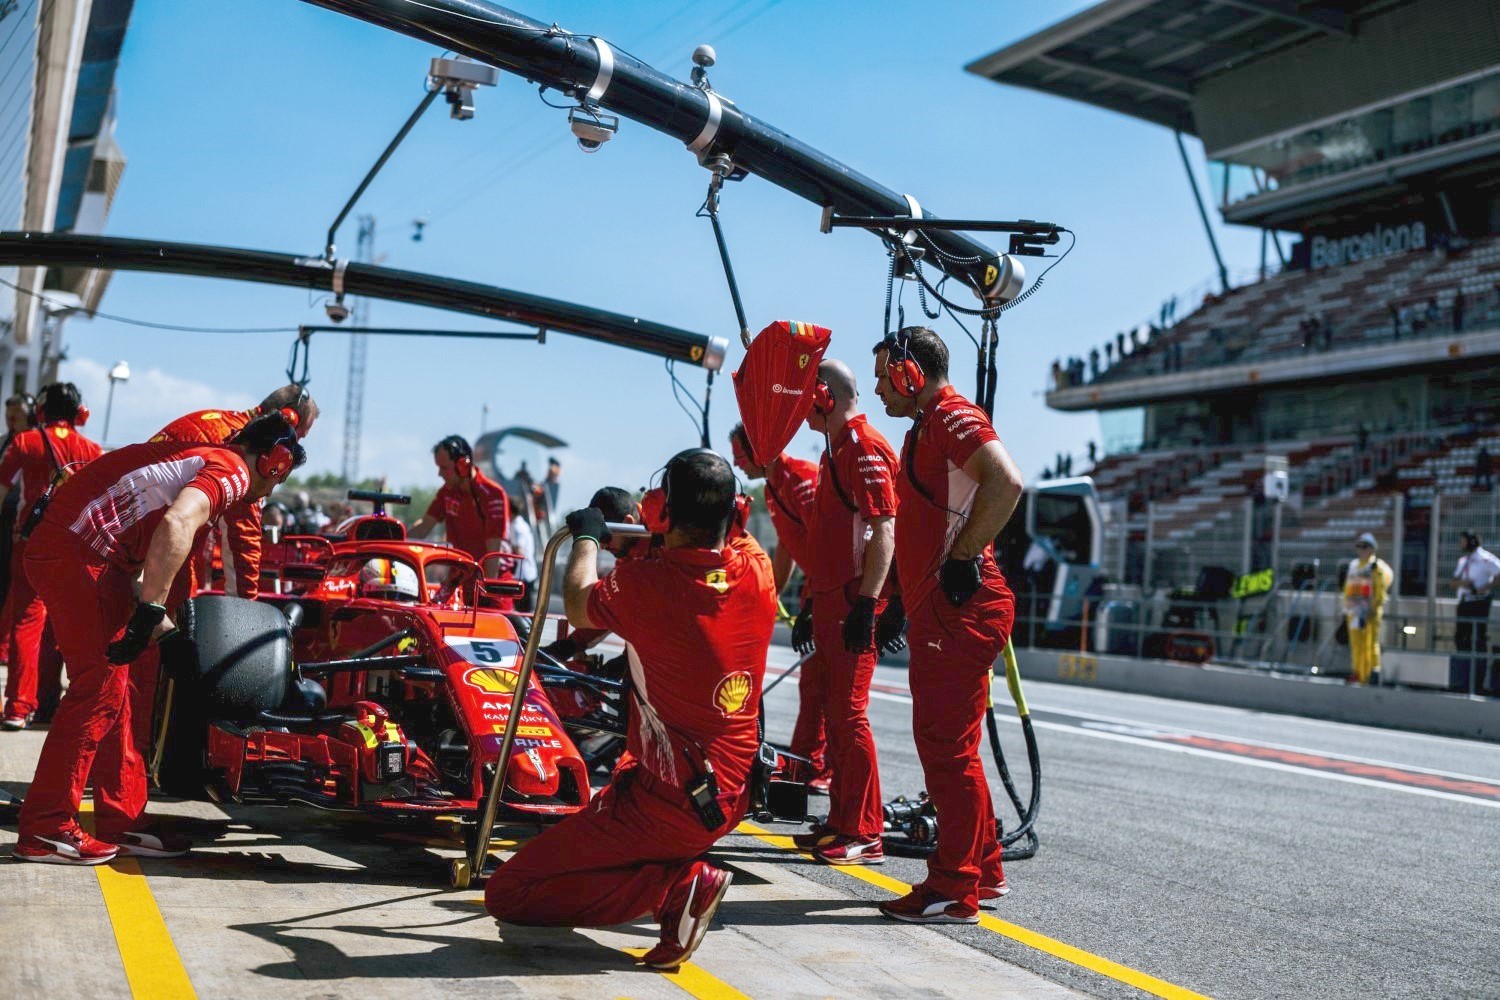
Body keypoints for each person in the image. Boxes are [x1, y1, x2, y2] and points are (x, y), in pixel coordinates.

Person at [485, 449, 774, 970]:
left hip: (667, 802)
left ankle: (674, 889)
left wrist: (590, 537)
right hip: (729, 790)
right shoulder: (757, 568)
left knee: (510, 891)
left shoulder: (650, 587)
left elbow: (578, 602)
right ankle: (670, 876)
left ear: (663, 515)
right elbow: (730, 532)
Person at [13, 410, 305, 864]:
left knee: (118, 690)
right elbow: (176, 524)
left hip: (86, 554)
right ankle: (47, 829)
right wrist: (152, 612)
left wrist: (163, 630)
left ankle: (121, 820)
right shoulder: (231, 471)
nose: (274, 488)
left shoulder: (203, 457)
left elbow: (134, 546)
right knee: (97, 691)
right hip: (77, 554)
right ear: (275, 462)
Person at [872, 326, 1026, 924]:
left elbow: (1006, 482)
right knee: (955, 748)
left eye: (887, 375)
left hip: (960, 605)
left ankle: (953, 889)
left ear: (912, 374)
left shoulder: (950, 416)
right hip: (942, 606)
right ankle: (982, 869)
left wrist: (963, 559)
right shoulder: (927, 425)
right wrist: (894, 605)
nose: (883, 389)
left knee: (945, 750)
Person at [792, 359, 898, 867]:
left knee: (850, 716)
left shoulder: (862, 447)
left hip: (855, 598)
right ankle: (842, 820)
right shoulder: (836, 448)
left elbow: (884, 530)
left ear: (826, 397)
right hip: (835, 596)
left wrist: (868, 601)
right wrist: (812, 601)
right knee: (836, 716)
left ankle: (864, 832)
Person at [728, 422, 838, 793]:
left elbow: (828, 546)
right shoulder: (774, 487)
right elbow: (789, 546)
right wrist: (769, 597)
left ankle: (826, 769)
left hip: (836, 591)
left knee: (835, 691)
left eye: (740, 456)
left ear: (762, 449)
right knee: (812, 685)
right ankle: (809, 765)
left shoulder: (802, 477)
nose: (737, 464)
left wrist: (811, 607)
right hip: (818, 590)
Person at [151, 384, 320, 600]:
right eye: (299, 437)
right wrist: (245, 615)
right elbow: (242, 540)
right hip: (144, 552)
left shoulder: (213, 420)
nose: (294, 446)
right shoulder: (245, 455)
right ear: (287, 419)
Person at [0, 383, 103, 730]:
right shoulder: (91, 449)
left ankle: (16, 708)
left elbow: (1, 490)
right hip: (73, 546)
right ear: (79, 413)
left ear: (41, 410)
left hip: (29, 542)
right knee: (61, 623)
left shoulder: (25, 441)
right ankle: (48, 704)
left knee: (26, 623)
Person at [411, 435, 510, 573]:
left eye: (444, 468)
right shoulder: (446, 493)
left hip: (492, 582)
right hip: (462, 577)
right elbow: (423, 526)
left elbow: (493, 554)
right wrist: (395, 538)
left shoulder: (493, 495)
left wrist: (486, 591)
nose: (439, 474)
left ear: (463, 465)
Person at [1343, 532, 1393, 686]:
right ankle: (1358, 672)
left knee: (1370, 643)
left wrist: (1374, 606)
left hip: (1370, 611)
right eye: (1359, 546)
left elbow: (1381, 588)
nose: (1361, 550)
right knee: (1356, 644)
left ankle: (1373, 672)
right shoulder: (1353, 566)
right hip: (1355, 611)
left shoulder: (1377, 566)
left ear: (1372, 549)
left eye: (1364, 546)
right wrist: (1345, 608)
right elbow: (1348, 589)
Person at [1453, 531, 1500, 695]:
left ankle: (1478, 682)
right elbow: (1454, 581)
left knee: (1478, 641)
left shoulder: (1485, 559)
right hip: (1464, 603)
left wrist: (1483, 588)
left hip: (1478, 604)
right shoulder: (1464, 561)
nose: (1461, 544)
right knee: (1461, 640)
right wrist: (1463, 583)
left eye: (1463, 541)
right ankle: (1462, 680)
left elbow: (1498, 573)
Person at [505, 495, 538, 613]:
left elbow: (519, 551)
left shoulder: (518, 527)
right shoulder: (518, 524)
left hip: (522, 575)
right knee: (521, 611)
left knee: (522, 612)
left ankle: (526, 631)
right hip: (524, 573)